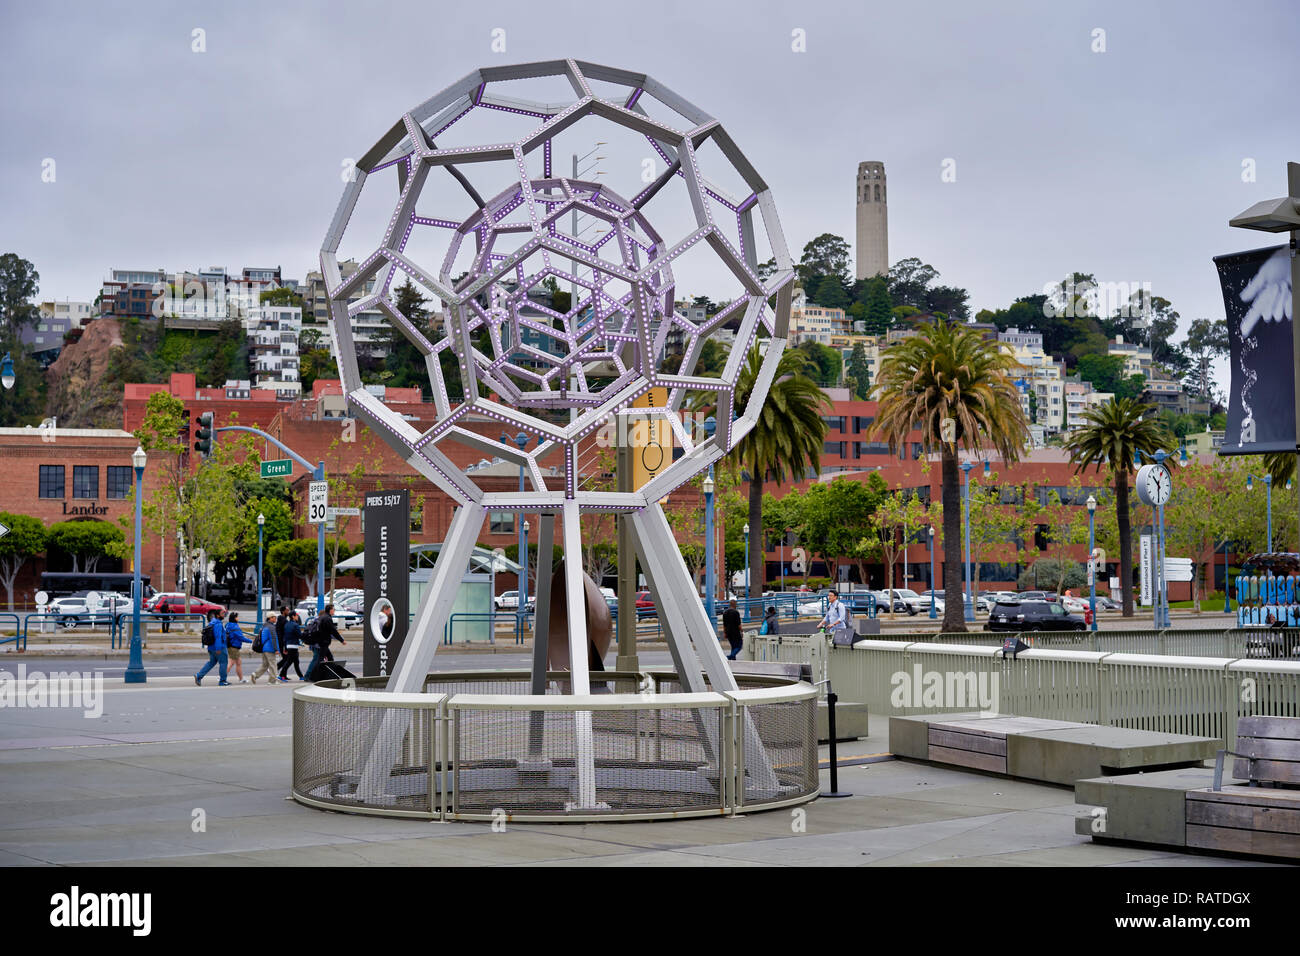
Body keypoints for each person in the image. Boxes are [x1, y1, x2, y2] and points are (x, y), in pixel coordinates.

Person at [303, 604, 345, 681]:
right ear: (330, 610)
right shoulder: (327, 618)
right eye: (333, 609)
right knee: (318, 660)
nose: (334, 611)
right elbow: (332, 631)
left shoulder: (321, 618)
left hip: (319, 643)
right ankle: (311, 676)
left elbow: (327, 631)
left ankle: (328, 674)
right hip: (320, 644)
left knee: (327, 658)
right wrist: (341, 640)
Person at [195, 609, 229, 686]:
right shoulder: (218, 624)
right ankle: (222, 681)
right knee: (223, 663)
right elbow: (218, 637)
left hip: (211, 647)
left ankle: (198, 676)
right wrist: (218, 648)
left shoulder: (212, 623)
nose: (224, 614)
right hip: (219, 647)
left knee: (211, 663)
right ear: (218, 615)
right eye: (222, 613)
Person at [250, 612, 280, 684]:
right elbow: (273, 638)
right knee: (273, 664)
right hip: (270, 648)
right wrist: (276, 649)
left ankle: (255, 674)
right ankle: (272, 680)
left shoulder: (264, 626)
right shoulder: (271, 627)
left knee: (265, 665)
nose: (276, 619)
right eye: (274, 617)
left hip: (264, 648)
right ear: (271, 618)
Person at [222, 611, 249, 683]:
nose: (238, 618)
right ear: (234, 618)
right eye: (237, 617)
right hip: (234, 647)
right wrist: (250, 641)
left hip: (229, 645)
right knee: (231, 663)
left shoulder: (228, 625)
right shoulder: (235, 627)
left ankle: (241, 678)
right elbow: (241, 637)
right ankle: (222, 678)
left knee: (238, 662)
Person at [278, 611, 304, 681]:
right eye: (296, 616)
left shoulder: (286, 624)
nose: (297, 617)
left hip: (288, 645)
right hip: (294, 645)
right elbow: (300, 635)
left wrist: (285, 648)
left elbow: (285, 637)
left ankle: (301, 676)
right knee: (289, 662)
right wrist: (307, 637)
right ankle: (281, 675)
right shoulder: (295, 625)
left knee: (296, 661)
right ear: (293, 616)